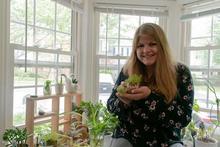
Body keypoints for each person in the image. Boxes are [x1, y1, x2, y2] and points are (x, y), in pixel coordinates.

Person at [107, 23, 194, 147]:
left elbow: (184, 118)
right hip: (129, 137)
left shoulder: (180, 72)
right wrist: (124, 101)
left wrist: (149, 97)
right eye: (140, 46)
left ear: (162, 46)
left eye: (152, 44)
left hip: (166, 139)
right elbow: (111, 105)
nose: (146, 50)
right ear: (135, 49)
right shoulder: (127, 70)